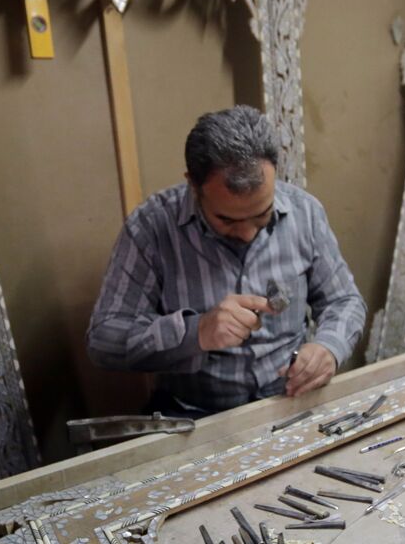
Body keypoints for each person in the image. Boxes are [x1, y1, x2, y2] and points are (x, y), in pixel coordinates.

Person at [87, 105, 366, 416]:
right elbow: (105, 340)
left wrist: (329, 347)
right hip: (197, 414)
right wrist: (196, 332)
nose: (247, 233)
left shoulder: (305, 213)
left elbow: (344, 300)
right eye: (227, 220)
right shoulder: (152, 227)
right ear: (194, 186)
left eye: (262, 215)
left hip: (289, 401)